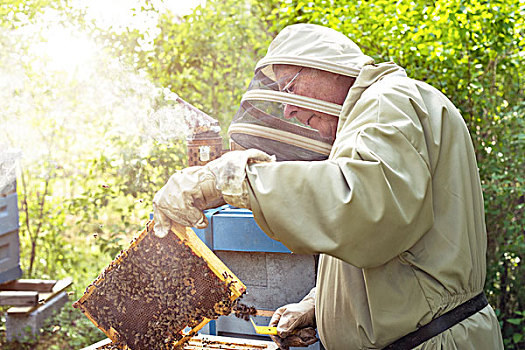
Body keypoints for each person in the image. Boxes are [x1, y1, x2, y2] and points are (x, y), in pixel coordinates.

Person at [153, 24, 504, 349]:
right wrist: (320, 305)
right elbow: (400, 254)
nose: (289, 110)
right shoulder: (376, 114)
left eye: (291, 88)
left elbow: (363, 207)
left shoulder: (386, 101)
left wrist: (231, 179)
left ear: (327, 65)